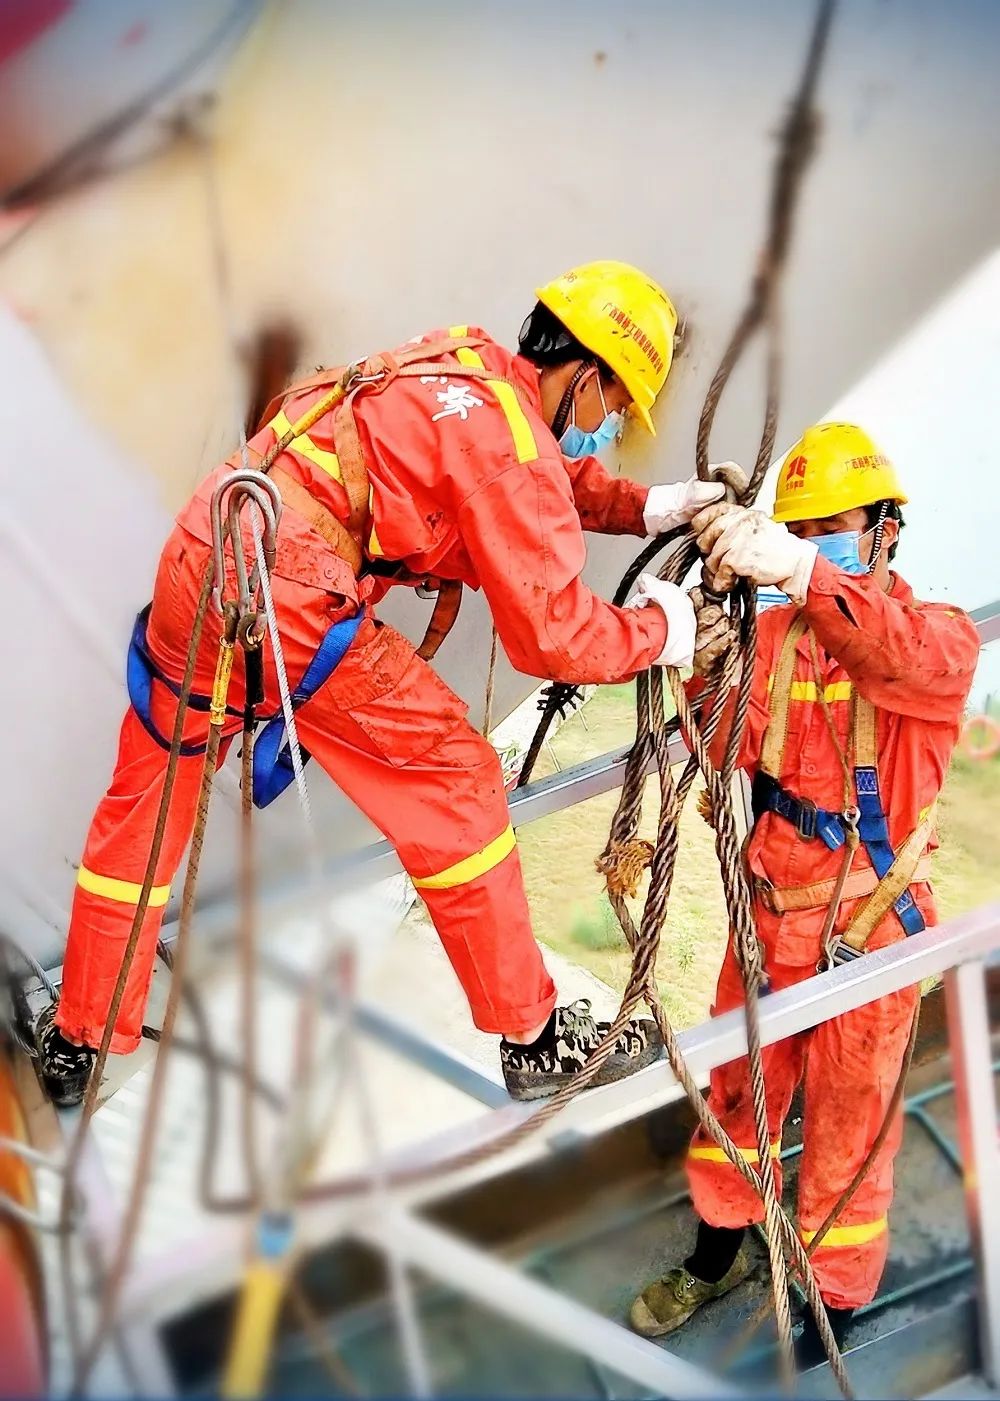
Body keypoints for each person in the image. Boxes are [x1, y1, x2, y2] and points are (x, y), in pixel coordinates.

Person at [37, 260, 728, 1107]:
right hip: (288, 591)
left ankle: (81, 1037)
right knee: (458, 779)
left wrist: (650, 506)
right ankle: (534, 1037)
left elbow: (534, 474)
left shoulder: (467, 364)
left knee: (144, 814)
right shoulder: (508, 445)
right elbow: (554, 633)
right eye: (615, 406)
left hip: (205, 550)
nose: (611, 426)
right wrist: (671, 631)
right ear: (586, 378)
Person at [629, 422, 979, 1351]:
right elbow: (721, 744)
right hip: (769, 921)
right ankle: (717, 1255)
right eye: (804, 524)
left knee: (847, 1128)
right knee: (736, 1093)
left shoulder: (936, 639)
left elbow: (897, 655)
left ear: (884, 532)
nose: (819, 536)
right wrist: (698, 646)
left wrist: (806, 574)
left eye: (838, 523)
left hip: (872, 930)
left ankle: (834, 1302)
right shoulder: (773, 638)